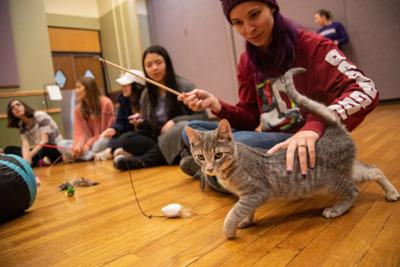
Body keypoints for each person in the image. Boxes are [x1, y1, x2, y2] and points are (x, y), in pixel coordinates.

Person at [178, 0, 378, 192]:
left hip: (304, 141)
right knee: (191, 130)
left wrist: (315, 126)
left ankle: (211, 175)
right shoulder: (246, 61)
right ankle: (217, 175)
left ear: (272, 8)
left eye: (254, 15)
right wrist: (217, 105)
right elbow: (250, 118)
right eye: (238, 23)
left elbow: (365, 89)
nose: (248, 29)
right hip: (268, 140)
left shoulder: (313, 46)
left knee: (241, 144)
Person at [113, 45, 208, 170]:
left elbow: (203, 116)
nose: (155, 68)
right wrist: (141, 122)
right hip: (159, 140)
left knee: (180, 127)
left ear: (167, 63)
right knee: (126, 138)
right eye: (149, 65)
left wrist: (175, 121)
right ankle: (169, 156)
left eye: (159, 63)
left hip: (179, 137)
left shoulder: (185, 86)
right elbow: (150, 128)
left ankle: (142, 161)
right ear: (145, 69)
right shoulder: (146, 94)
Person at [94, 69, 146, 161]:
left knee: (125, 140)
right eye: (122, 86)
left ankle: (116, 152)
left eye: (126, 85)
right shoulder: (124, 100)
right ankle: (117, 151)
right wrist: (114, 129)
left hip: (143, 134)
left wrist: (140, 122)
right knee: (102, 144)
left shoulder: (146, 98)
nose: (123, 88)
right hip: (128, 134)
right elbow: (120, 121)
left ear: (136, 86)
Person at [59, 76, 115, 161]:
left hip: (102, 139)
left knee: (98, 146)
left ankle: (79, 156)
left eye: (78, 87)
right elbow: (79, 133)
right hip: (86, 145)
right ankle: (92, 156)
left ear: (88, 89)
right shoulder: (78, 110)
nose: (76, 90)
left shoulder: (106, 103)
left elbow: (109, 131)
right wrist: (78, 146)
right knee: (61, 144)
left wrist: (88, 144)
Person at [4, 100, 63, 167]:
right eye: (12, 108)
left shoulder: (40, 115)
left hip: (53, 147)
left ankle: (36, 162)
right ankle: (38, 162)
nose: (16, 108)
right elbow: (25, 144)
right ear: (12, 113)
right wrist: (25, 159)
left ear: (24, 106)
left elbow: (44, 140)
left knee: (43, 148)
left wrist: (30, 155)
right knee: (8, 149)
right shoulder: (21, 125)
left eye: (18, 105)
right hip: (39, 148)